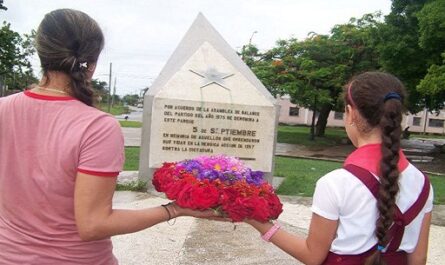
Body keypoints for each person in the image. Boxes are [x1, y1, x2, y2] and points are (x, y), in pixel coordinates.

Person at [0, 9, 215, 264]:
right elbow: (93, 224)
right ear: (91, 63)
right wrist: (172, 209)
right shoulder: (97, 127)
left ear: (41, 54)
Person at [246, 72, 433, 265]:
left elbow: (312, 256)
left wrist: (256, 222)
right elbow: (418, 258)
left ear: (351, 113)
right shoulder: (423, 182)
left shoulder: (336, 183)